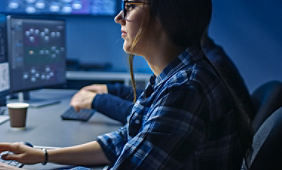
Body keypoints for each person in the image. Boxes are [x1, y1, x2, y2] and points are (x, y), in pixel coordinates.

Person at [0, 0, 253, 170]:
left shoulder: (187, 89)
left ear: (167, 14)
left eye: (129, 7)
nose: (118, 17)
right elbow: (124, 142)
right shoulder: (175, 77)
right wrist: (42, 156)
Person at [70, 30, 256, 124]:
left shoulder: (197, 76)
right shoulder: (205, 57)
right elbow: (157, 101)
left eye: (132, 6)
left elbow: (154, 117)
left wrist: (98, 101)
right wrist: (112, 90)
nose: (120, 18)